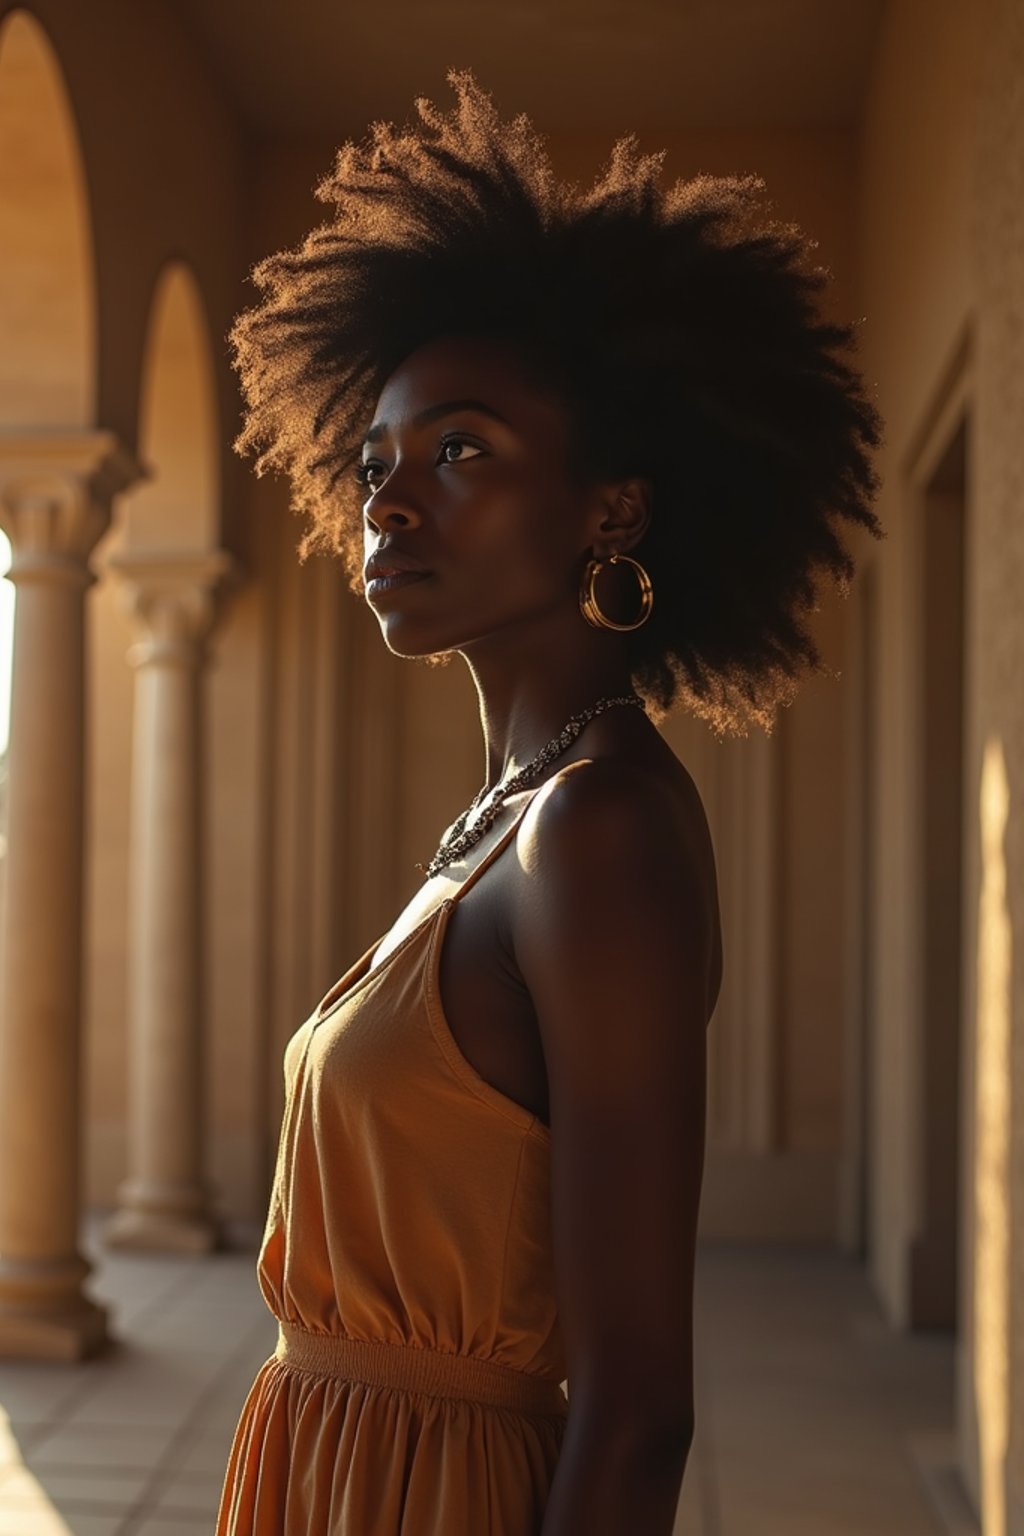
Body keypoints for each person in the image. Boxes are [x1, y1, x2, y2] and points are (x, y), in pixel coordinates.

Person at [215, 69, 884, 1536]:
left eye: (462, 452)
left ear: (613, 509)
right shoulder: (508, 818)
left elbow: (640, 1412)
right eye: (379, 464)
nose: (393, 504)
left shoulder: (600, 832)